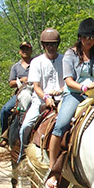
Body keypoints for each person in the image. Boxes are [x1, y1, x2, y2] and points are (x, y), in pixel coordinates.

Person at [44, 17, 94, 188]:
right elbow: (68, 80)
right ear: (80, 37)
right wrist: (82, 86)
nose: (89, 40)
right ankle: (52, 170)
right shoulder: (70, 54)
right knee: (61, 124)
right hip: (74, 95)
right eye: (86, 37)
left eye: (92, 37)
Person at [17, 28, 64, 161]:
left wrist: (61, 90)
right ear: (43, 45)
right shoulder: (36, 62)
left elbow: (69, 81)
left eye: (54, 44)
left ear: (57, 45)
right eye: (48, 44)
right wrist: (46, 97)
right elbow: (36, 86)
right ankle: (23, 155)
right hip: (40, 101)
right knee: (26, 126)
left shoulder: (65, 60)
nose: (51, 47)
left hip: (62, 100)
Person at [0, 40, 33, 146]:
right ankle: (5, 135)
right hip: (20, 92)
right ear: (19, 52)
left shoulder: (36, 63)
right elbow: (11, 83)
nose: (25, 51)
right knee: (5, 110)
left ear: (31, 50)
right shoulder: (15, 67)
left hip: (34, 91)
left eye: (27, 49)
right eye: (23, 49)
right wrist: (22, 80)